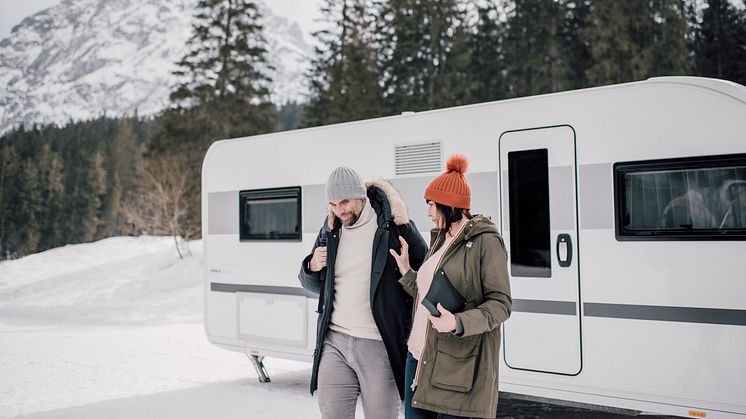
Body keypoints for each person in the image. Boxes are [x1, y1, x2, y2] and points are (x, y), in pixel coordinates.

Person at [299, 166, 428, 419]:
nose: (340, 210)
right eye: (333, 204)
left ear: (361, 196)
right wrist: (312, 266)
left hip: (379, 343)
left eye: (345, 202)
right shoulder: (329, 231)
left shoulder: (397, 228)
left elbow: (427, 279)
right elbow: (312, 284)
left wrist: (406, 271)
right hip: (334, 341)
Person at [389, 154, 512, 419]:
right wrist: (407, 272)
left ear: (450, 205)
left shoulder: (486, 242)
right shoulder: (440, 239)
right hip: (419, 357)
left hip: (456, 364)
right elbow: (432, 296)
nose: (429, 212)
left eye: (432, 205)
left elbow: (501, 305)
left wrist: (458, 322)